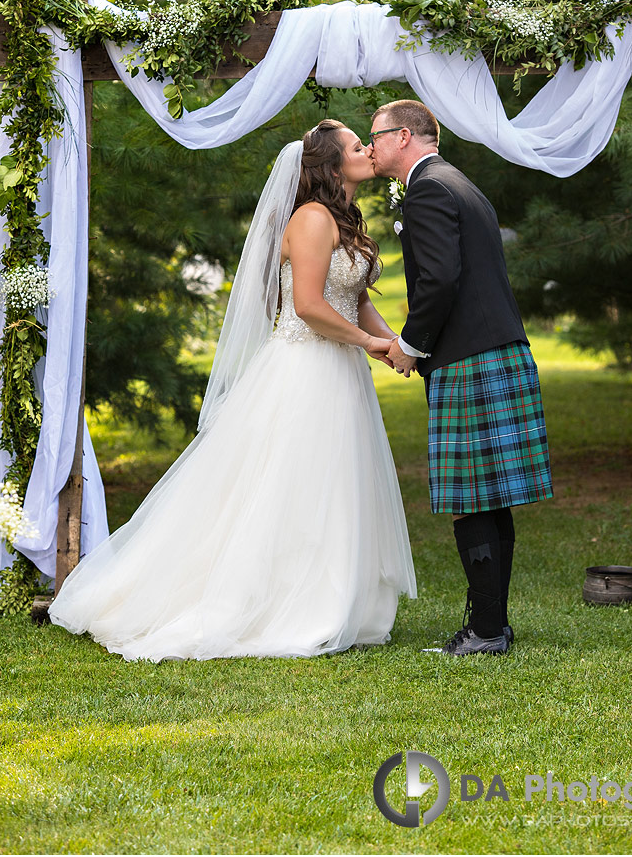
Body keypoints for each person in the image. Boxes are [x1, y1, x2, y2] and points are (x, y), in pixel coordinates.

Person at [49, 121, 416, 660]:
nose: (367, 150)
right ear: (332, 165)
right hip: (305, 367)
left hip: (340, 369)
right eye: (356, 146)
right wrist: (367, 343)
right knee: (291, 482)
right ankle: (285, 599)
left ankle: (338, 596)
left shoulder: (347, 220)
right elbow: (311, 307)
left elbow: (354, 298)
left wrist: (394, 345)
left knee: (335, 480)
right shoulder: (312, 219)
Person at [370, 100, 552, 656]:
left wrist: (408, 345)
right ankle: (493, 625)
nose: (370, 146)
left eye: (375, 136)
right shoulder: (459, 183)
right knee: (492, 496)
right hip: (496, 351)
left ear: (404, 136)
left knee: (472, 496)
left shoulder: (428, 189)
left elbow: (440, 281)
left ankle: (487, 631)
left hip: (468, 358)